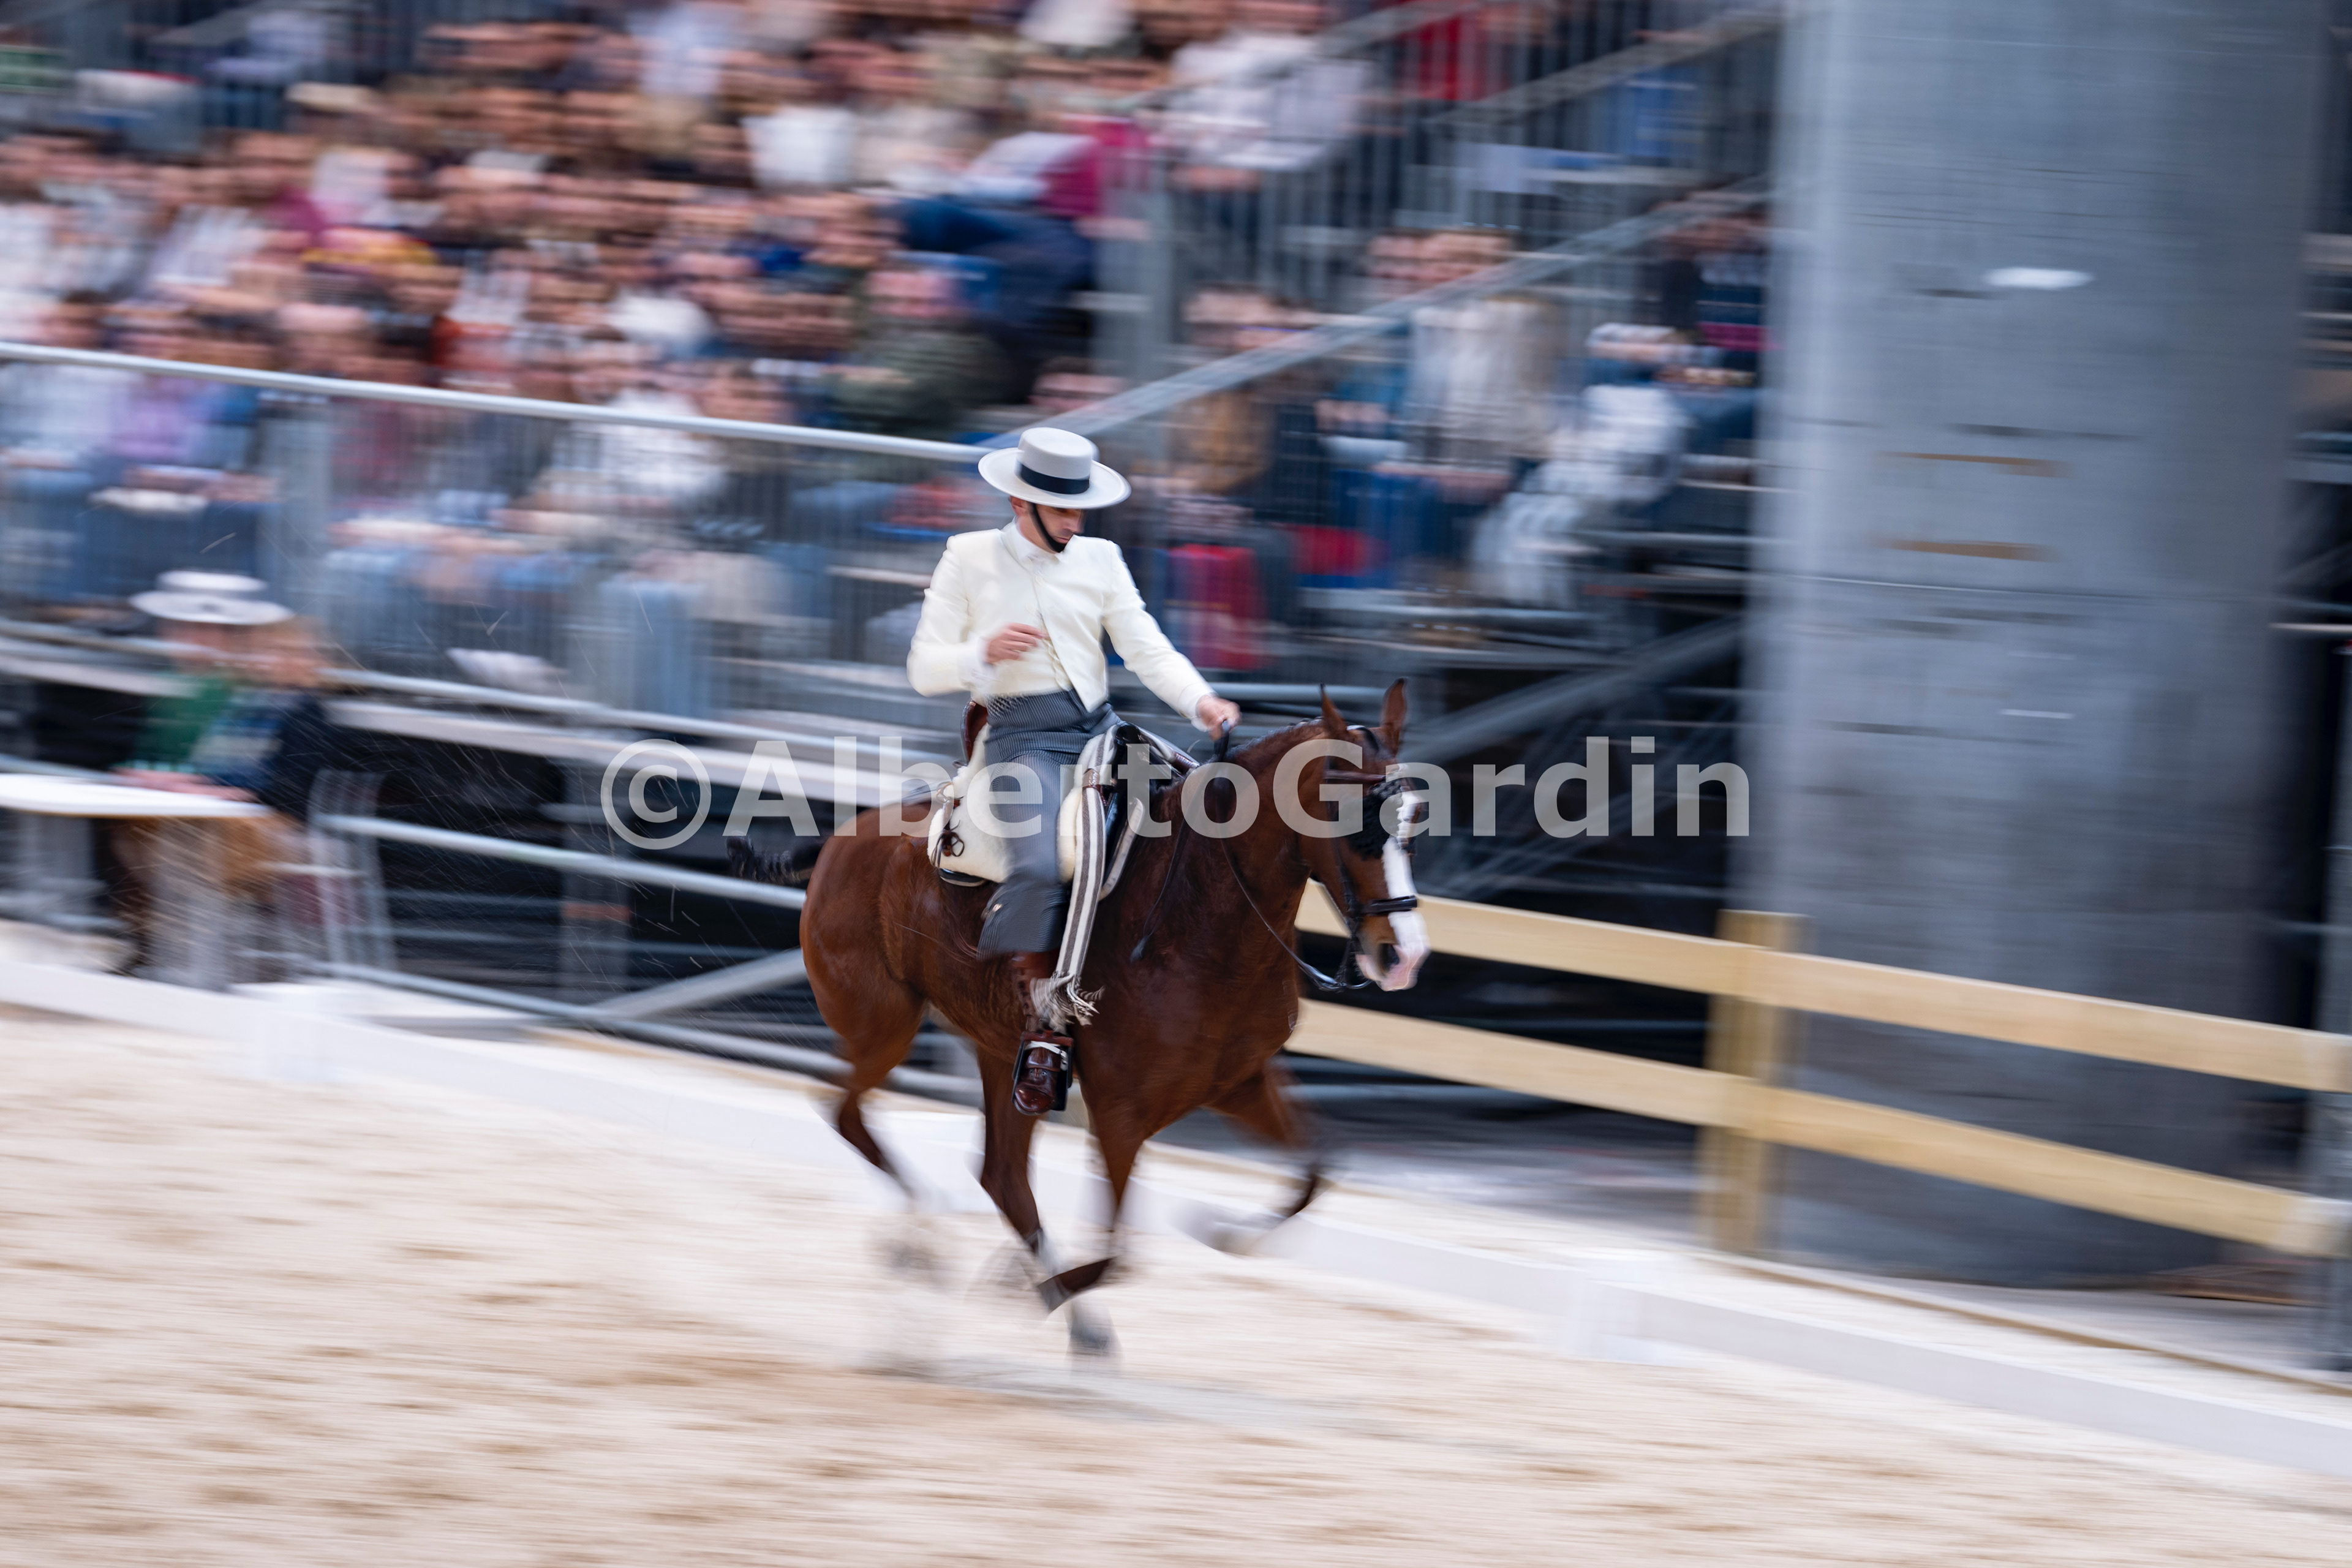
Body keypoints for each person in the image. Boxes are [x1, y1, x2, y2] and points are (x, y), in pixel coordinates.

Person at [907, 427, 1240, 1114]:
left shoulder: (1102, 558)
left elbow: (1146, 646)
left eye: (1080, 509)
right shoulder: (967, 556)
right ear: (1019, 502)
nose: (1075, 521)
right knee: (1038, 865)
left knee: (1199, 820)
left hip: (1100, 729)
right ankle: (1044, 1029)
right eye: (1062, 509)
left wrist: (1201, 700)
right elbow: (924, 668)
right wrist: (982, 651)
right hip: (1022, 738)